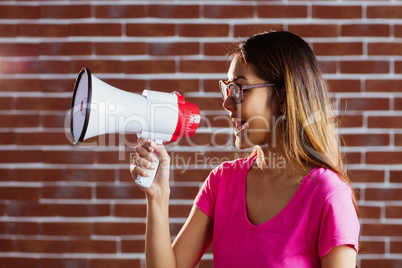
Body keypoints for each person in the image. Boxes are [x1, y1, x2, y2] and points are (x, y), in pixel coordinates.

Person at [130, 31, 360, 268]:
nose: (227, 103)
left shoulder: (328, 196)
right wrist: (157, 196)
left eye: (239, 89)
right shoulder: (222, 181)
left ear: (282, 97)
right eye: (227, 88)